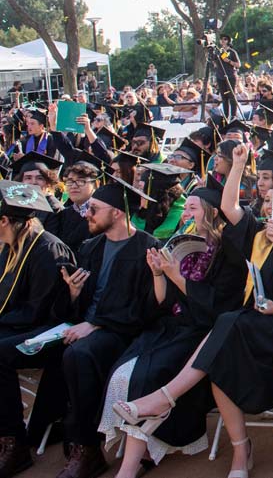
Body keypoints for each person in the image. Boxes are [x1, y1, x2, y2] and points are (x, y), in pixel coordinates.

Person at [116, 147, 273, 478]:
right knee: (223, 351)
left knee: (228, 324)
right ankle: (240, 450)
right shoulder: (259, 237)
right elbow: (228, 207)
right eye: (266, 201)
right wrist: (239, 165)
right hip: (247, 326)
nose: (266, 207)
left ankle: (165, 398)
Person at [102, 183, 245, 477]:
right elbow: (162, 302)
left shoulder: (227, 254)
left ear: (211, 212)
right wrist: (158, 274)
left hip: (200, 332)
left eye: (193, 208)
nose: (186, 214)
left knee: (148, 377)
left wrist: (174, 274)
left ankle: (128, 467)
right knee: (123, 371)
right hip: (169, 327)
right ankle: (138, 455)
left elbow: (215, 309)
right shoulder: (181, 245)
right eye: (187, 208)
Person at [26, 179, 158, 478]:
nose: (87, 214)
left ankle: (87, 448)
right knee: (13, 350)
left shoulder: (146, 247)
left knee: (79, 355)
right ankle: (25, 436)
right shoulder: (90, 247)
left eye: (94, 209)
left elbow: (144, 310)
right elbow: (77, 306)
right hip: (82, 325)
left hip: (122, 332)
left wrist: (95, 324)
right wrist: (72, 295)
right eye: (88, 208)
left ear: (118, 213)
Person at [0, 181, 75, 477]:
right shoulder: (10, 246)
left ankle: (15, 443)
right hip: (18, 324)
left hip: (51, 332)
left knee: (0, 354)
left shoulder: (48, 249)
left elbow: (39, 312)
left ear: (5, 220)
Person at [213, 34, 241, 122]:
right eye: (221, 39)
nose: (223, 41)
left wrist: (228, 61)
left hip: (230, 76)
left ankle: (233, 115)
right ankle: (226, 115)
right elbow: (214, 63)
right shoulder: (218, 52)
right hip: (220, 76)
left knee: (231, 96)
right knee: (224, 97)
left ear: (228, 41)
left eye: (225, 39)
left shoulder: (232, 52)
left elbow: (238, 65)